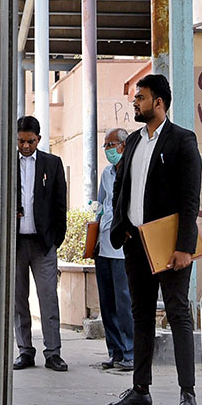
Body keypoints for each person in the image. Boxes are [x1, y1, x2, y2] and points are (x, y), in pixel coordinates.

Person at [104, 73, 202, 405]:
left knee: (177, 313)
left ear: (158, 103)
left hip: (169, 245)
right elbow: (121, 187)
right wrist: (121, 229)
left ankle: (188, 392)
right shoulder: (133, 141)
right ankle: (140, 390)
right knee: (141, 315)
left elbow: (190, 199)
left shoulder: (182, 141)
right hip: (135, 243)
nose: (135, 103)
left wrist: (184, 247)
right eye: (135, 98)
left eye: (141, 98)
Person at [12, 115, 68, 372]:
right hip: (15, 244)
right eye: (21, 141)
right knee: (18, 300)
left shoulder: (52, 164)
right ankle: (24, 350)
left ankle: (53, 352)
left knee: (48, 299)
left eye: (30, 141)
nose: (25, 146)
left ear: (39, 139)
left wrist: (55, 240)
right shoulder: (7, 164)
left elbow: (60, 204)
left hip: (43, 244)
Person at [93, 128, 135, 371]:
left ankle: (130, 352)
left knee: (124, 303)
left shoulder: (132, 170)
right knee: (107, 303)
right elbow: (101, 205)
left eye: (111, 145)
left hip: (122, 249)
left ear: (123, 145)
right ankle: (115, 351)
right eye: (105, 146)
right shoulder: (106, 174)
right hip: (103, 246)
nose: (107, 150)